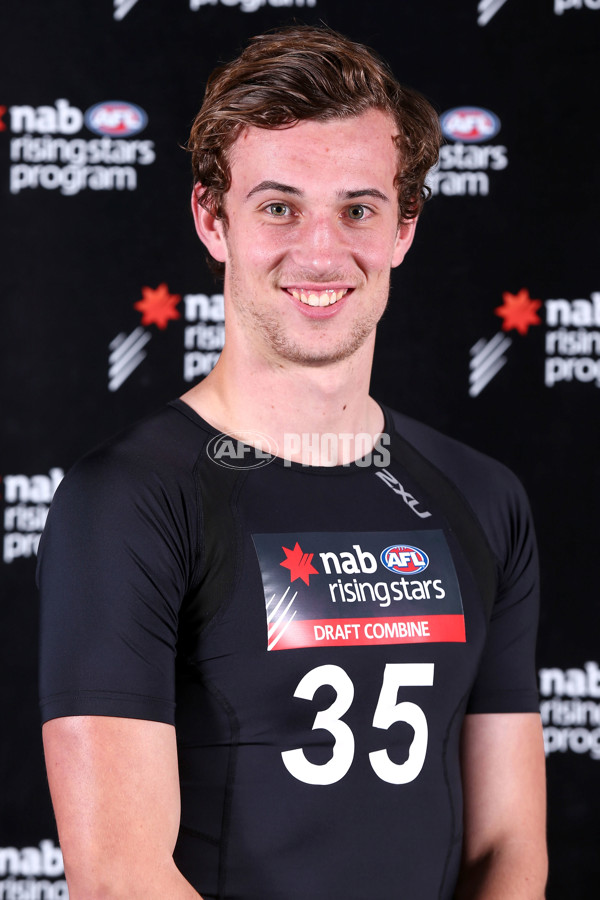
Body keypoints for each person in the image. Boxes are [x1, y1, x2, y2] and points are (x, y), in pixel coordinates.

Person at [38, 25, 548, 900]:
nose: (321, 251)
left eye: (358, 209)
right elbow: (117, 877)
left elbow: (508, 848)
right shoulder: (127, 500)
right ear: (213, 219)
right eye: (278, 207)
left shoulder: (481, 494)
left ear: (403, 229)